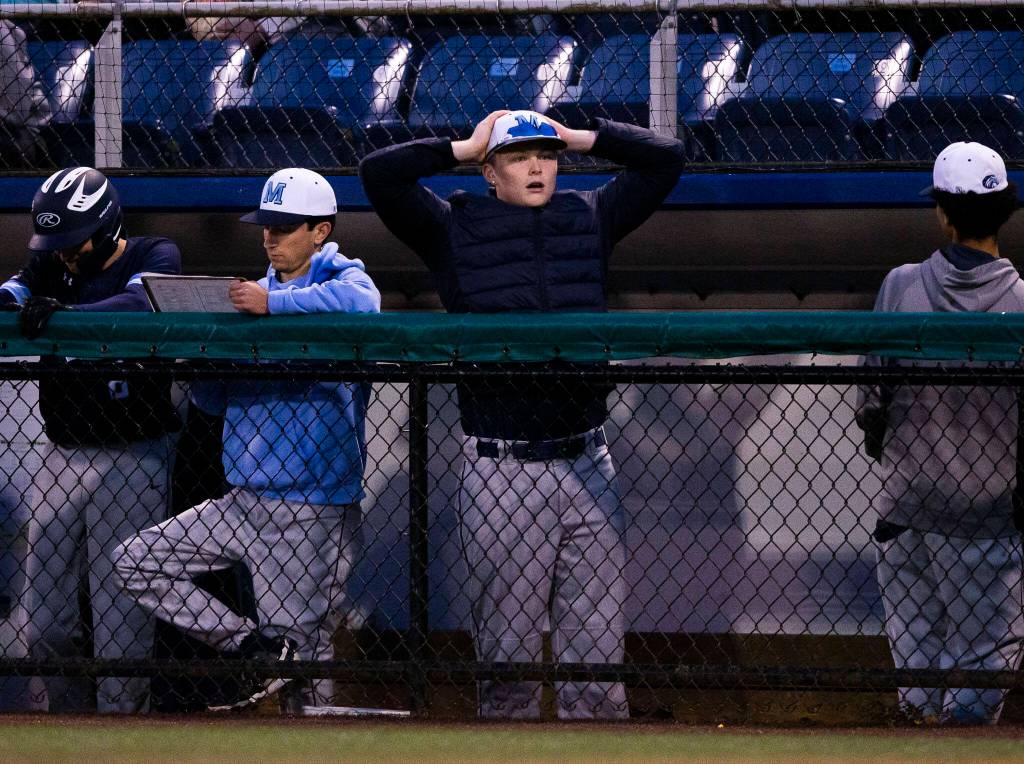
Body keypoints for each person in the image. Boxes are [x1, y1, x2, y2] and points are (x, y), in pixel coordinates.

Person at [359, 109, 684, 719]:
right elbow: (378, 176)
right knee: (506, 664)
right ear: (490, 172)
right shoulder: (454, 225)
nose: (537, 166)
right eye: (517, 157)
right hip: (503, 465)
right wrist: (462, 146)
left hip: (589, 458)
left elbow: (667, 159)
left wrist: (583, 137)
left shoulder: (589, 214)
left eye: (546, 155)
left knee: (597, 666)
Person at [115, 168, 381, 712]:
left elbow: (364, 305)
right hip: (240, 500)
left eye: (284, 228)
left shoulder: (341, 277)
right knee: (136, 559)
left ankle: (320, 741)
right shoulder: (249, 294)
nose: (270, 237)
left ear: (320, 231)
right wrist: (203, 363)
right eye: (266, 226)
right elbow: (214, 404)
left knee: (302, 658)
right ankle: (246, 642)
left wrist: (271, 307)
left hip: (310, 505)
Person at [0, 166, 182, 713]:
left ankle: (121, 729)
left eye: (71, 241)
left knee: (119, 611)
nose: (62, 253)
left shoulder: (154, 252)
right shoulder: (52, 261)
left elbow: (140, 305)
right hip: (63, 450)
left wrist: (65, 318)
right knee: (42, 615)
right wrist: (20, 302)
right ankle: (62, 726)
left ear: (103, 229)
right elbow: (10, 294)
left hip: (134, 451)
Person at [856, 141, 1024, 725]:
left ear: (942, 214)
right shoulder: (1023, 301)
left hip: (905, 509)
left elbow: (870, 405)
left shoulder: (901, 285)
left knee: (917, 696)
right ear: (1005, 210)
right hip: (986, 517)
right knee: (975, 696)